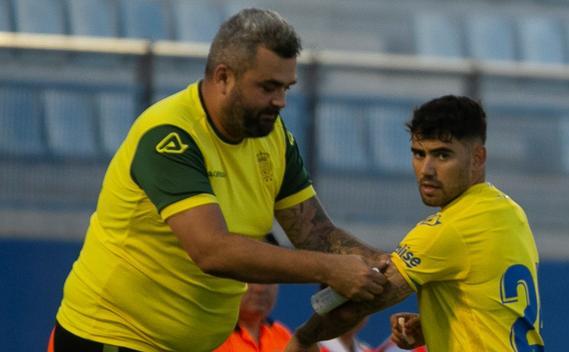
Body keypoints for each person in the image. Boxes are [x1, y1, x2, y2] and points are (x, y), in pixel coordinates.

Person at [51, 8, 390, 352]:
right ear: (223, 77)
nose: (281, 101)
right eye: (268, 87)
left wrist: (381, 263)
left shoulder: (272, 135)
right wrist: (331, 269)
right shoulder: (170, 134)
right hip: (109, 339)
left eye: (286, 87)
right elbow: (212, 251)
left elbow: (315, 233)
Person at [282, 95, 545, 352]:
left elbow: (357, 306)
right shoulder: (510, 213)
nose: (426, 170)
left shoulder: (448, 228)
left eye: (443, 156)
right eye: (419, 154)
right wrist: (433, 323)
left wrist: (305, 338)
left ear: (477, 157)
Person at [214, 283, 293, 352]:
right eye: (250, 280)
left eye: (269, 279)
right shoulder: (215, 338)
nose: (260, 289)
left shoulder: (282, 335)